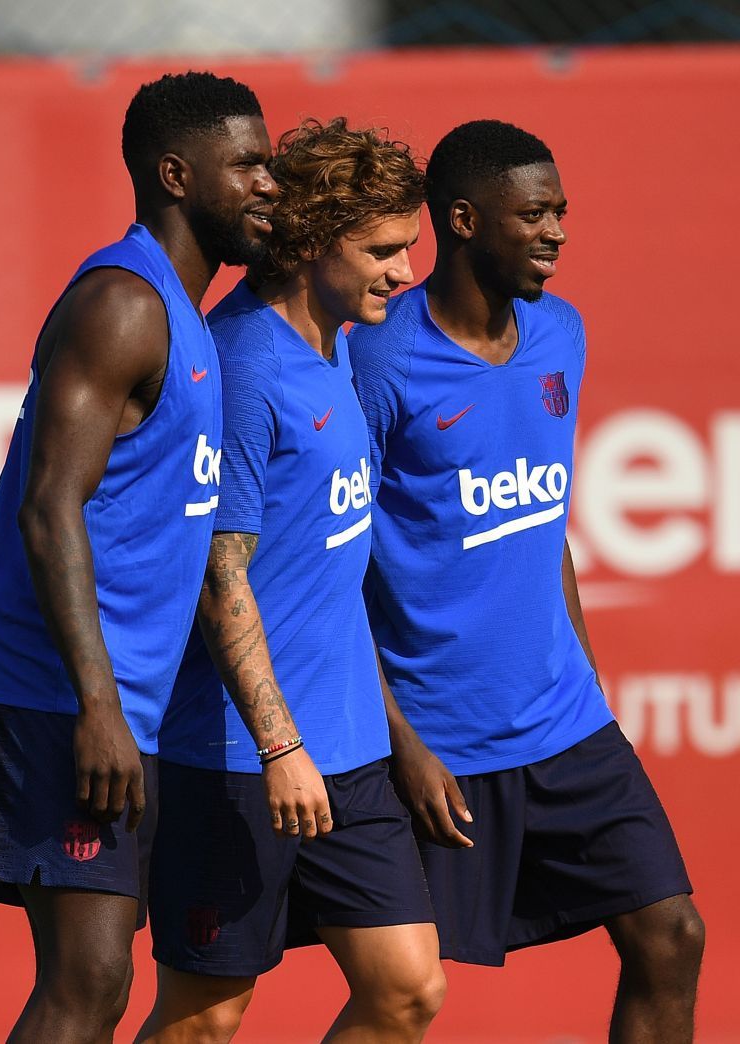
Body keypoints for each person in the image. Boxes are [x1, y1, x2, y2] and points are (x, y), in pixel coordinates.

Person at [348, 119, 705, 1042]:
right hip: (440, 742)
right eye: (534, 214)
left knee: (671, 937)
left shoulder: (561, 333)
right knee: (402, 1000)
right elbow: (329, 569)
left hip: (566, 725)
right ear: (463, 220)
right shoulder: (379, 360)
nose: (557, 233)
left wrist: (584, 679)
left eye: (563, 213)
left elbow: (545, 528)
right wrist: (401, 742)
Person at [0, 71, 277, 1043]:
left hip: (108, 693)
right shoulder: (125, 305)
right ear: (176, 174)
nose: (269, 183)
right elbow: (48, 510)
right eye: (248, 164)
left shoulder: (191, 319)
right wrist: (97, 705)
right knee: (86, 983)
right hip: (53, 687)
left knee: (98, 980)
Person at [138, 117, 445, 1044]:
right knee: (207, 1016)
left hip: (348, 753)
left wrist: (390, 732)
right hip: (236, 760)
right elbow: (216, 575)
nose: (404, 271)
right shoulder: (240, 366)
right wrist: (281, 749)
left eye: (410, 248)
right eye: (383, 251)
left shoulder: (340, 338)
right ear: (310, 245)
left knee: (406, 990)